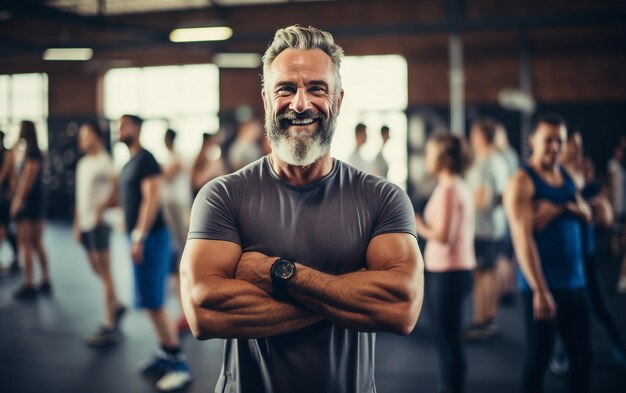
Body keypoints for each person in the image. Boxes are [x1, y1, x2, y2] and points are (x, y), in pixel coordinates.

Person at [181, 25, 424, 393]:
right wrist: (343, 292)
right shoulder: (223, 196)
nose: (300, 104)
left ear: (338, 101)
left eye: (316, 88)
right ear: (266, 100)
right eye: (286, 89)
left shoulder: (382, 198)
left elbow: (400, 308)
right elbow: (204, 313)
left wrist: (279, 274)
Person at [504, 114, 592, 393]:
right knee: (538, 360)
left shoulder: (567, 176)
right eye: (548, 140)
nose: (554, 147)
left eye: (559, 141)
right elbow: (521, 239)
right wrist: (540, 289)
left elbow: (587, 214)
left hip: (575, 283)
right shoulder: (522, 182)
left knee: (583, 357)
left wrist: (561, 208)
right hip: (542, 288)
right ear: (532, 141)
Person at [117, 115, 192, 391]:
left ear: (136, 129)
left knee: (155, 301)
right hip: (141, 237)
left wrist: (139, 235)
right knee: (149, 300)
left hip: (151, 237)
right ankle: (164, 352)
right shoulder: (132, 162)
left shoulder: (146, 159)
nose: (118, 130)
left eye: (123, 125)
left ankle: (179, 363)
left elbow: (153, 197)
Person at [415, 132, 475, 393]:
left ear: (443, 158)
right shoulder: (452, 185)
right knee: (446, 336)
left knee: (447, 337)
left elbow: (443, 235)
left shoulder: (451, 188)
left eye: (430, 152)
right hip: (450, 270)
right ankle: (450, 384)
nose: (426, 157)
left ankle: (452, 386)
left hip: (449, 272)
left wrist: (417, 225)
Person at [74, 122, 126, 346]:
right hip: (84, 224)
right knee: (97, 268)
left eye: (86, 136)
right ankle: (116, 304)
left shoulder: (105, 162)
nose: (82, 140)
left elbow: (117, 189)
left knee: (105, 272)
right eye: (81, 137)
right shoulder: (83, 163)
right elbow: (80, 196)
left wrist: (101, 209)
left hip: (99, 224)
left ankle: (109, 324)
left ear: (97, 137)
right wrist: (77, 222)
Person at [465, 118, 510, 340]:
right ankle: (491, 317)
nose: (472, 139)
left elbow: (482, 201)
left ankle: (480, 321)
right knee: (490, 273)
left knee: (481, 275)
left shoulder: (485, 163)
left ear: (483, 137)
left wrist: (461, 202)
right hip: (496, 227)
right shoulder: (499, 160)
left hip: (482, 229)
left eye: (475, 135)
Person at [11, 120, 51, 300]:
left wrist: (18, 201)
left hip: (29, 203)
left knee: (26, 243)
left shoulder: (32, 152)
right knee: (35, 243)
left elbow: (28, 178)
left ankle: (29, 283)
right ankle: (45, 279)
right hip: (35, 201)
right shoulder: (30, 151)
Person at [160, 129, 192, 333]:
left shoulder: (177, 157)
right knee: (174, 250)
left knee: (181, 251)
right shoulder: (171, 157)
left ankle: (186, 312)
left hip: (177, 206)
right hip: (171, 207)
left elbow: (166, 176)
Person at [0, 129, 18, 277]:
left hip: (4, 197)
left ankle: (17, 256)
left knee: (4, 229)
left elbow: (8, 175)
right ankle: (17, 255)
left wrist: (12, 196)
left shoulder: (7, 154)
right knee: (7, 230)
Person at [191, 132, 226, 198]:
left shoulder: (213, 159)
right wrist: (210, 171)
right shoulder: (200, 159)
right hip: (201, 196)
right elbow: (196, 182)